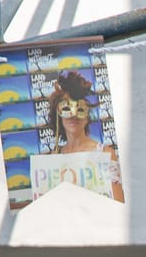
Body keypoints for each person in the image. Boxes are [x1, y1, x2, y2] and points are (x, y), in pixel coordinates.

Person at [40, 72, 123, 202]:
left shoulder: (105, 154)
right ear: (58, 116)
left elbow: (118, 203)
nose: (73, 115)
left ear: (86, 118)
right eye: (67, 108)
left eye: (80, 110)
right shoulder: (53, 159)